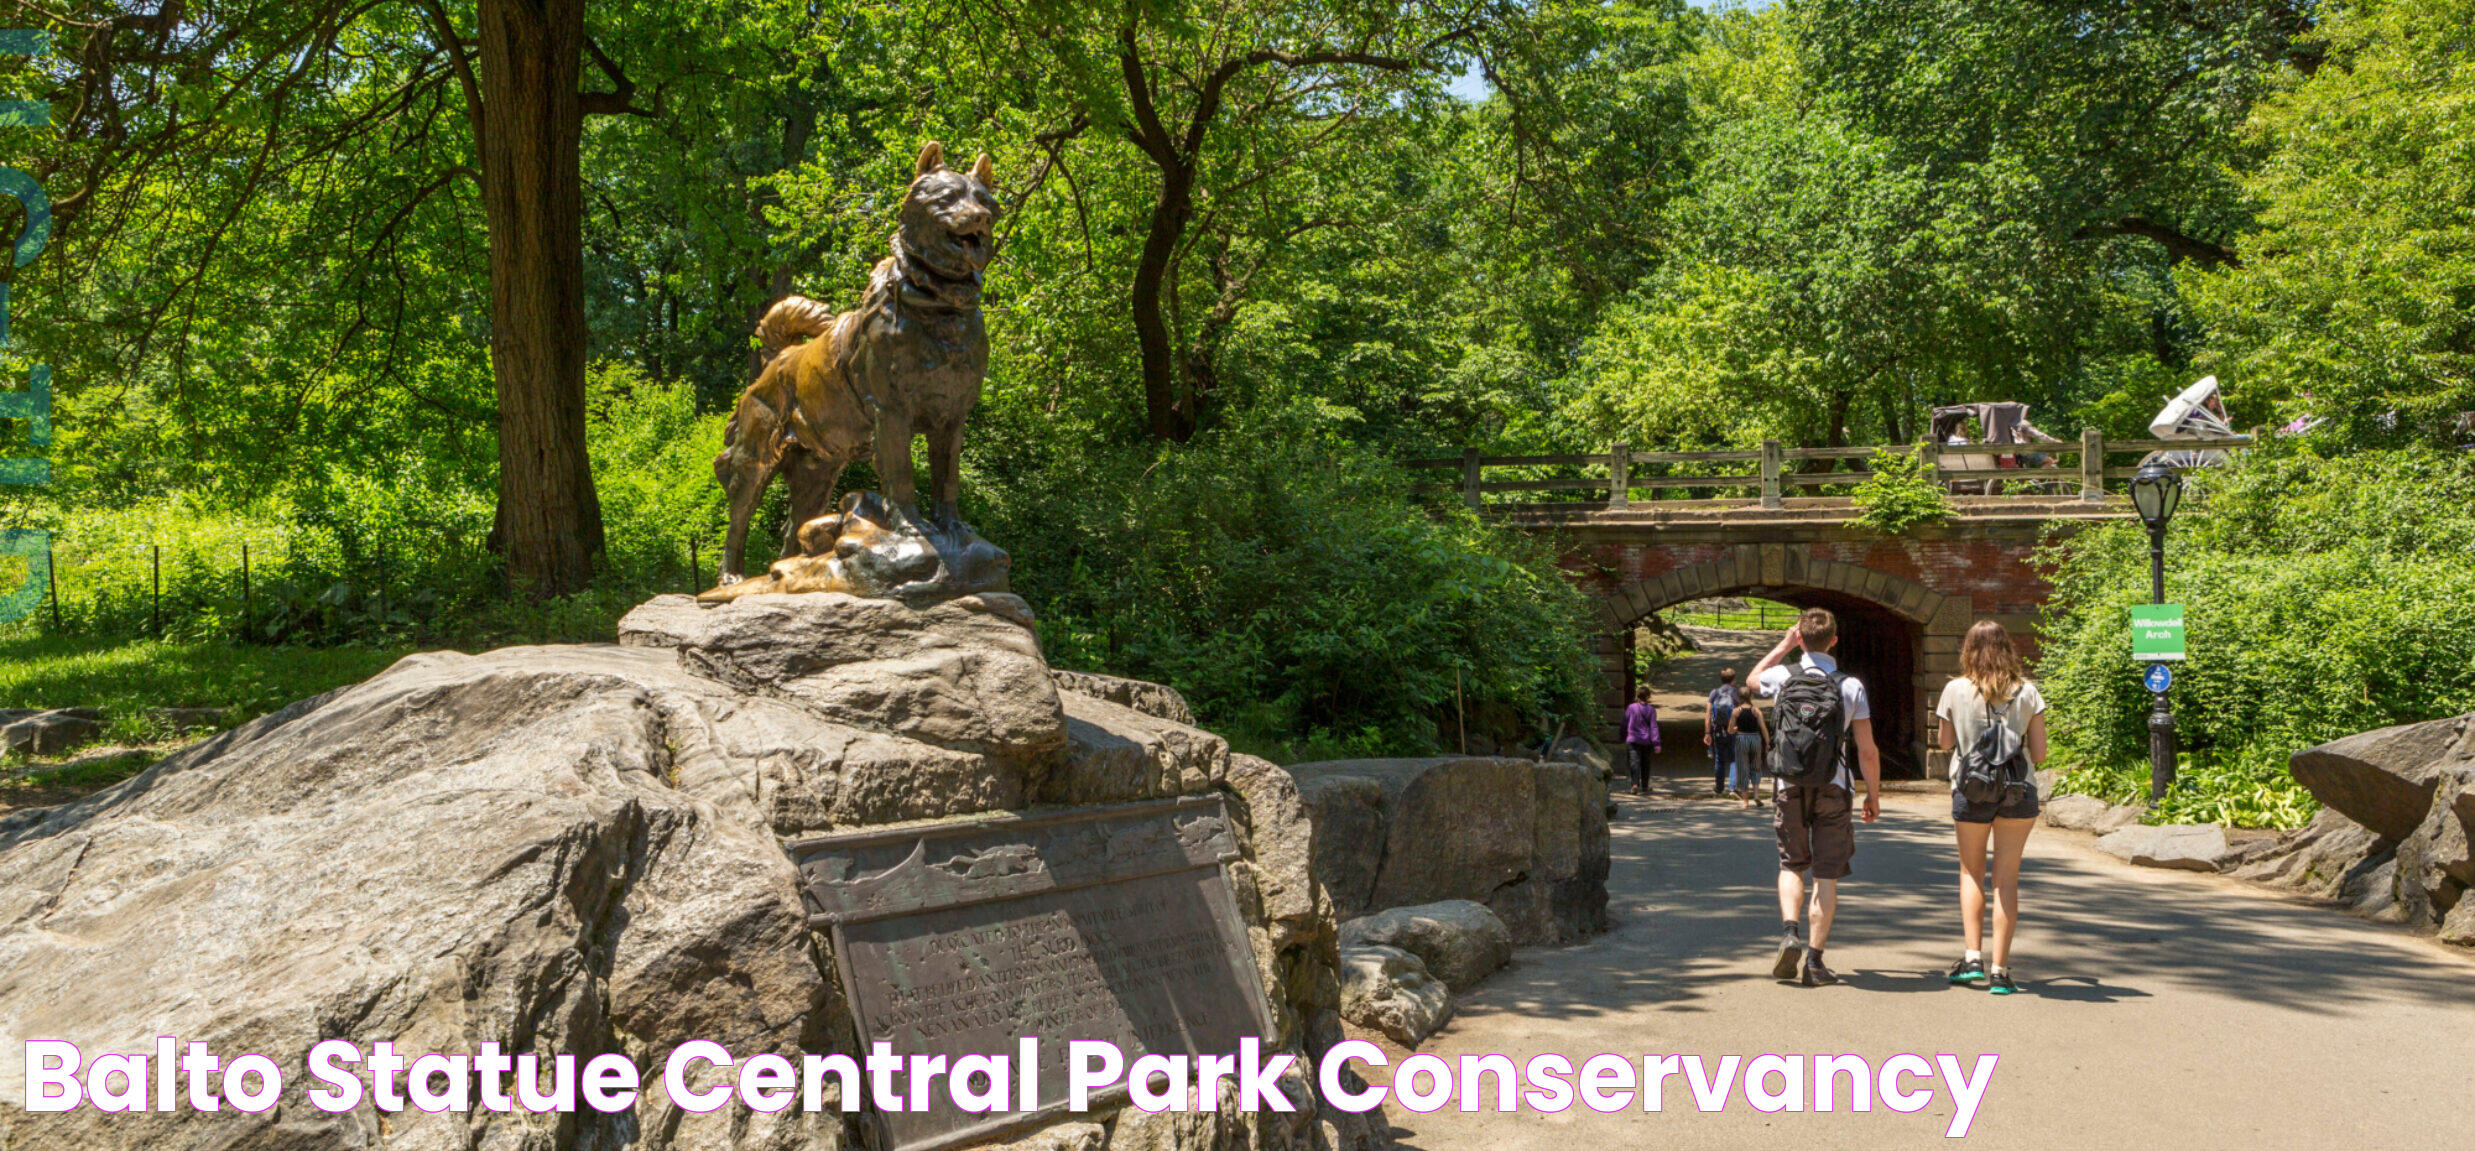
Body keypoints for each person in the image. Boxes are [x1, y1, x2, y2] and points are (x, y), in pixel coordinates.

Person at [1749, 608, 1882, 987]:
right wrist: (1873, 795)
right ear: (1835, 640)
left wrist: (1784, 645)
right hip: (1834, 785)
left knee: (1791, 865)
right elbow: (1867, 750)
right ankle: (1815, 962)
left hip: (1788, 784)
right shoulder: (1850, 685)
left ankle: (1789, 933)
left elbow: (1751, 679)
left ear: (1802, 638)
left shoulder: (1782, 677)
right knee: (1826, 874)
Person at [1935, 620, 2048, 996]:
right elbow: (2042, 753)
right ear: (2008, 649)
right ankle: (2000, 972)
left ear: (1968, 650)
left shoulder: (1954, 689)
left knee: (1971, 871)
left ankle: (1972, 959)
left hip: (1971, 789)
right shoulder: (2029, 692)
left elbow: (1945, 742)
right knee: (2006, 879)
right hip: (2019, 791)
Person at [1703, 668, 1741, 796]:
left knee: (1719, 759)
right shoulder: (1735, 693)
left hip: (1718, 730)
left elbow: (1708, 714)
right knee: (1734, 758)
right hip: (1733, 730)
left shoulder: (1714, 693)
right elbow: (1739, 712)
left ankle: (1719, 787)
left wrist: (1707, 733)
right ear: (1734, 680)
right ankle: (1732, 788)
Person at [1728, 692, 1769, 810]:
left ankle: (1745, 802)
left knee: (1742, 769)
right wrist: (1767, 743)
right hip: (1755, 738)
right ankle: (1756, 795)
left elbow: (1730, 730)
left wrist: (1737, 728)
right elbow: (1763, 728)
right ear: (1751, 697)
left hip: (1741, 739)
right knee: (1756, 767)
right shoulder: (1756, 711)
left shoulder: (1736, 711)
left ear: (1739, 698)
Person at [1621, 686, 1662, 795]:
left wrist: (1622, 737)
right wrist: (1656, 744)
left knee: (1634, 763)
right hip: (1646, 741)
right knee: (1645, 763)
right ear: (1648, 696)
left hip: (1633, 740)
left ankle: (1634, 784)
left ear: (1637, 696)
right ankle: (1645, 786)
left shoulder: (1631, 708)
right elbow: (1654, 727)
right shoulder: (1651, 710)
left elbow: (1624, 723)